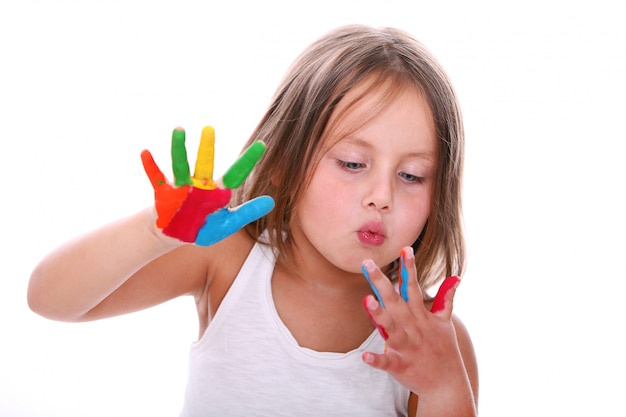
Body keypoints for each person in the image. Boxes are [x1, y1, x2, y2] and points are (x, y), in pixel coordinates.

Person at [28, 24, 479, 416]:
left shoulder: (432, 338)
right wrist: (155, 233)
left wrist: (444, 387)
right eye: (352, 163)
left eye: (411, 175)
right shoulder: (227, 262)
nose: (382, 197)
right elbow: (50, 299)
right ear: (284, 162)